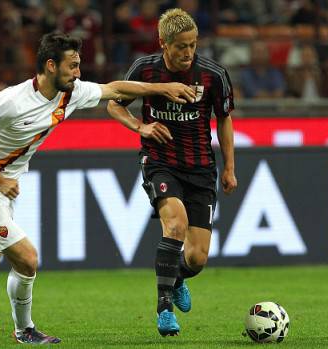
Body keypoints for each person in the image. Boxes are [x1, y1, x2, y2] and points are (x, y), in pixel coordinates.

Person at [0, 32, 196, 344]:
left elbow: (113, 88)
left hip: (1, 188)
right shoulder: (10, 102)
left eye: (79, 64)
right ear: (50, 66)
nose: (78, 72)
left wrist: (161, 87)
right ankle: (24, 330)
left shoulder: (71, 93)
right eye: (72, 65)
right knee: (28, 259)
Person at [107, 8, 237, 337]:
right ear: (163, 43)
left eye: (192, 45)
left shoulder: (213, 75)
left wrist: (230, 168)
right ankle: (164, 307)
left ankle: (176, 278)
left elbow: (224, 119)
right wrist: (141, 126)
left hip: (201, 169)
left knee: (197, 257)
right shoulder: (145, 71)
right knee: (174, 224)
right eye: (181, 46)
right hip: (160, 162)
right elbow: (113, 103)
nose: (188, 52)